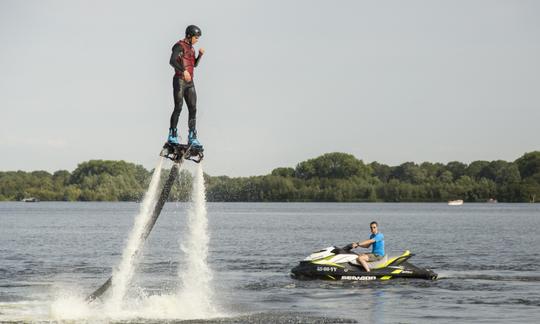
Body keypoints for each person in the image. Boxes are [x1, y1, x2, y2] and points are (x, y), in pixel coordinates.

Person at [167, 24, 205, 149]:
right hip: (179, 81)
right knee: (178, 107)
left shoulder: (192, 49)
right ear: (189, 36)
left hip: (189, 83)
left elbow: (193, 65)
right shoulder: (179, 46)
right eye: (196, 37)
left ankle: (192, 136)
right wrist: (183, 71)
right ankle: (172, 134)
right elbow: (172, 61)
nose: (197, 40)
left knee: (193, 109)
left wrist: (199, 56)